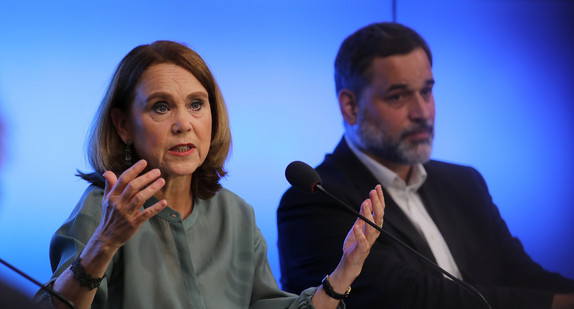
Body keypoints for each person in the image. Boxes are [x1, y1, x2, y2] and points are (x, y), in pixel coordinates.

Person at [34, 40, 385, 309]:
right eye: (161, 106)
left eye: (196, 104)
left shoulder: (236, 215)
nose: (183, 124)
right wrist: (104, 243)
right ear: (123, 125)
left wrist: (344, 273)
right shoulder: (103, 210)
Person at [277, 22, 574, 309]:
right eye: (398, 96)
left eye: (426, 91)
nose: (422, 112)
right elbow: (414, 299)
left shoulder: (464, 183)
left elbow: (520, 274)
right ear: (350, 107)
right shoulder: (313, 202)